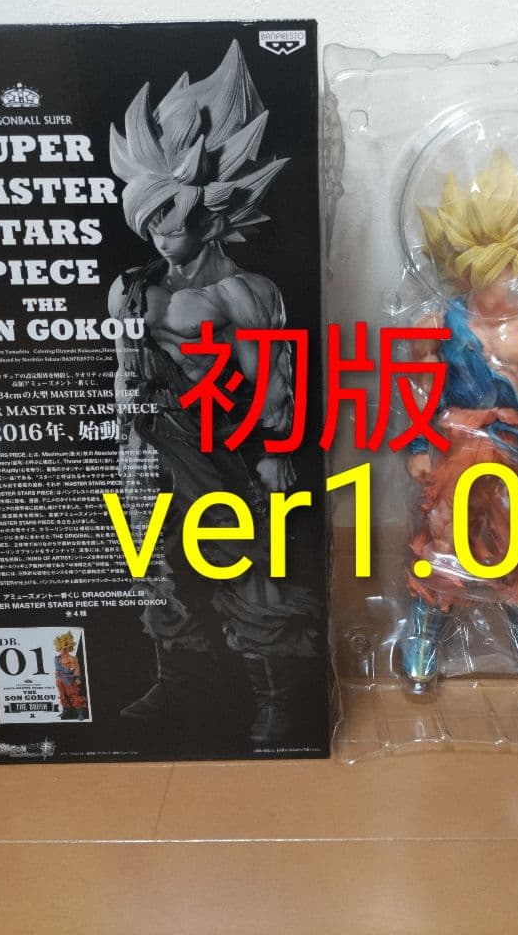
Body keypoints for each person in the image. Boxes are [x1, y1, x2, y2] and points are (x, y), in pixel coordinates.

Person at [108, 42, 321, 744]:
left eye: (171, 216)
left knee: (247, 559)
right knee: (154, 560)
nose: (160, 232)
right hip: (151, 443)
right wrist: (128, 441)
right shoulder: (131, 289)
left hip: (224, 442)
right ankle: (180, 684)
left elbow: (273, 379)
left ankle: (276, 698)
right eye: (150, 219)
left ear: (210, 211)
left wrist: (275, 452)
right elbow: (125, 368)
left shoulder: (243, 292)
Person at [399, 149, 518, 691]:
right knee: (445, 532)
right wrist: (418, 445)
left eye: (505, 261)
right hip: (457, 441)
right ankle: (428, 623)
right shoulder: (437, 322)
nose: (494, 277)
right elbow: (419, 389)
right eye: (479, 263)